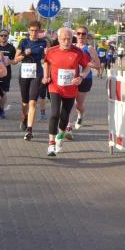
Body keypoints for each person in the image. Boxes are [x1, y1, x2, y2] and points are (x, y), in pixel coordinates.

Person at [42, 27, 91, 157]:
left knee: (65, 116)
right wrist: (46, 76)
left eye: (69, 39)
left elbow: (87, 67)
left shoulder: (78, 52)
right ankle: (51, 144)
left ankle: (60, 136)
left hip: (70, 88)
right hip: (55, 87)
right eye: (64, 39)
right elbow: (46, 63)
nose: (66, 41)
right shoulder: (51, 51)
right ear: (58, 39)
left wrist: (81, 77)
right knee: (54, 114)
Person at [13, 20, 48, 139]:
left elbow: (47, 58)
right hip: (24, 74)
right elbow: (15, 60)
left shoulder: (43, 42)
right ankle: (24, 118)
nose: (34, 33)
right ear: (28, 30)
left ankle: (29, 130)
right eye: (32, 30)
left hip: (36, 74)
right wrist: (24, 53)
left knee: (33, 102)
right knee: (25, 103)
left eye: (36, 31)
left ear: (39, 31)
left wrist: (46, 54)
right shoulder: (24, 42)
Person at [72, 26, 101, 131]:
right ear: (75, 35)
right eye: (78, 33)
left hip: (85, 79)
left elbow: (98, 65)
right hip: (72, 78)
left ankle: (80, 116)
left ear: (86, 35)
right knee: (69, 102)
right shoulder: (72, 46)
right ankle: (67, 125)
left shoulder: (89, 48)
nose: (81, 36)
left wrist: (85, 62)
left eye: (83, 34)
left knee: (78, 104)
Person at [0, 28, 17, 119]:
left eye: (5, 35)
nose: (3, 37)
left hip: (6, 73)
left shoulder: (11, 48)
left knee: (3, 93)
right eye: (1, 35)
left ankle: (1, 110)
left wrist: (9, 61)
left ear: (8, 37)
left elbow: (15, 61)